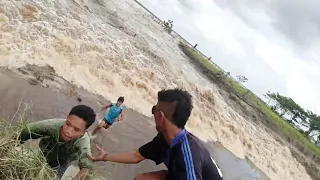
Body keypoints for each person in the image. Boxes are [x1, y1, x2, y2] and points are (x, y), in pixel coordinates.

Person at [88, 89, 223, 180]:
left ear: (161, 117)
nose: (153, 114)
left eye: (154, 110)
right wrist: (104, 156)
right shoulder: (165, 139)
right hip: (177, 174)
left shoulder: (188, 154)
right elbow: (136, 156)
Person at [19, 105, 96, 180]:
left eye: (76, 129)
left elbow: (86, 163)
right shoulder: (52, 126)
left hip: (63, 162)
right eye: (68, 124)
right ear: (66, 119)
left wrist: (79, 176)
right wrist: (8, 145)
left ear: (83, 132)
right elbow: (26, 131)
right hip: (44, 151)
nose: (68, 131)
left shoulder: (83, 141)